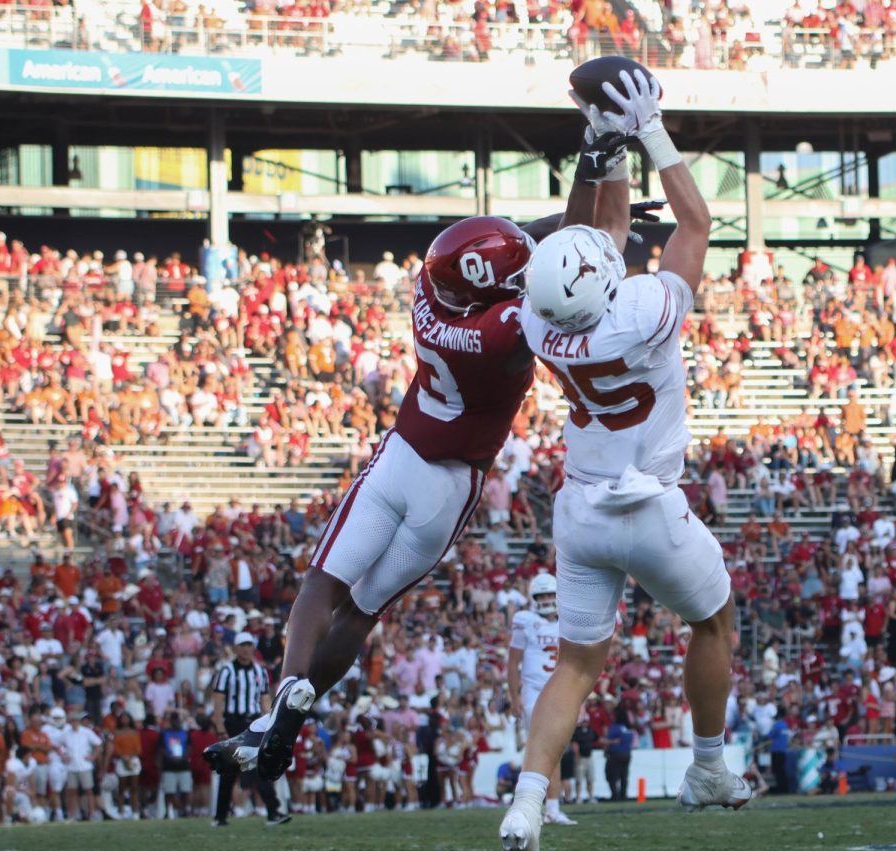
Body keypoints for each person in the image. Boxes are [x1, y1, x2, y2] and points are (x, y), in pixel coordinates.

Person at [204, 133, 631, 785]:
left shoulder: (429, 294)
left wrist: (567, 217)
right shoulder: (505, 330)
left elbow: (513, 250)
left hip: (401, 456)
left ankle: (284, 695)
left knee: (323, 582)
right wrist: (592, 179)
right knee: (363, 610)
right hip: (449, 486)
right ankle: (283, 725)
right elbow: (555, 253)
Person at [500, 69, 746, 851]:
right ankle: (709, 767)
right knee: (712, 619)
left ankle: (529, 799)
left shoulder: (542, 322)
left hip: (581, 508)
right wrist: (650, 132)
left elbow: (587, 235)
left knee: (574, 665)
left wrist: (595, 149)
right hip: (650, 503)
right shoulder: (644, 311)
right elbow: (694, 222)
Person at [507, 573, 575, 826]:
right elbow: (513, 662)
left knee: (554, 750)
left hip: (559, 691)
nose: (546, 599)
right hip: (534, 692)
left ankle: (550, 809)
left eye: (549, 595)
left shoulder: (566, 622)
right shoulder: (525, 620)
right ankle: (537, 807)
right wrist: (514, 696)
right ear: (534, 598)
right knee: (542, 748)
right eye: (542, 595)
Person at [209, 633, 289, 827]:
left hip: (252, 722)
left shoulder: (259, 671)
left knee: (259, 767)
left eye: (249, 645)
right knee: (229, 771)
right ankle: (220, 816)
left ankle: (273, 813)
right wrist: (219, 725)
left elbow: (264, 699)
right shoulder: (227, 670)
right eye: (243, 645)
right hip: (233, 722)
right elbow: (218, 700)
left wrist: (269, 721)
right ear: (236, 648)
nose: (246, 649)